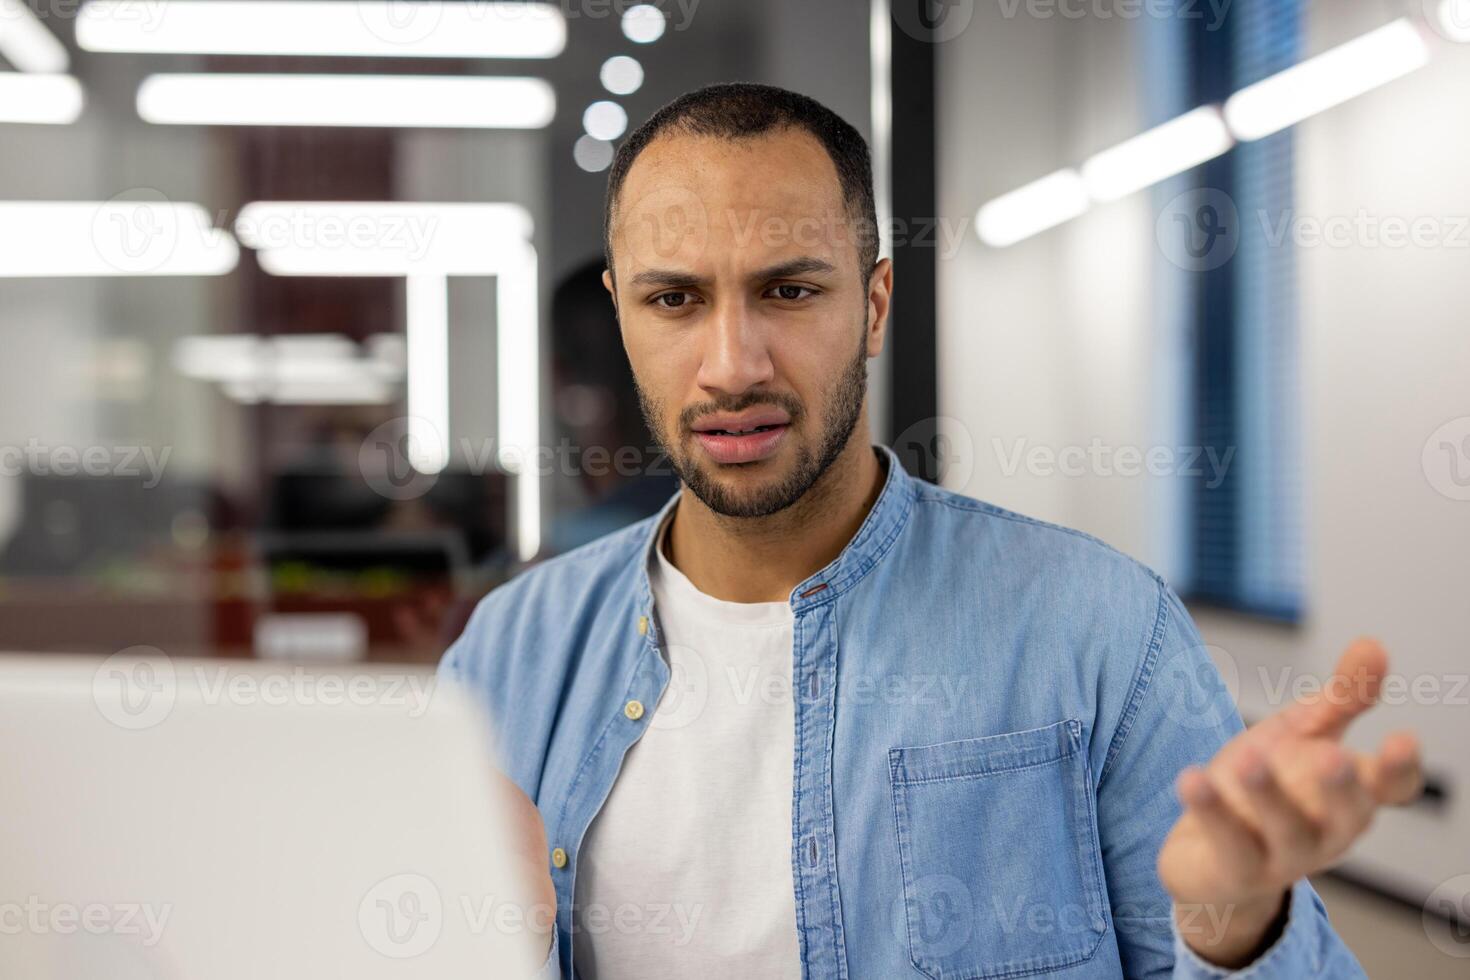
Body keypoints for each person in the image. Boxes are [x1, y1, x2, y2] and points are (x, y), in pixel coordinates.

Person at [441, 83, 1423, 980]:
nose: (732, 363)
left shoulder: (1098, 630)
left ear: (872, 304)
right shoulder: (509, 658)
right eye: (675, 299)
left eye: (789, 290)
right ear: (622, 315)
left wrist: (1237, 925)